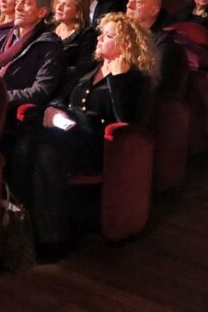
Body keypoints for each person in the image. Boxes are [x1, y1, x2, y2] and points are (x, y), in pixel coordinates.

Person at [13, 13, 156, 256]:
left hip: (98, 144)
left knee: (40, 148)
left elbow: (126, 121)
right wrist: (52, 109)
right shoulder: (89, 67)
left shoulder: (133, 77)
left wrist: (118, 78)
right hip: (65, 131)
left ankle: (52, 240)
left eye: (109, 35)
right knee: (27, 145)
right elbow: (62, 94)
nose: (99, 38)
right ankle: (29, 230)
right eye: (102, 33)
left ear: (126, 43)